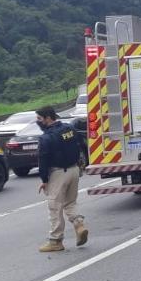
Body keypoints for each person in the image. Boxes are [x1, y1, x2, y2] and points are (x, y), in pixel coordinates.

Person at [35, 106, 88, 253]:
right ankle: (79, 225)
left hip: (58, 173)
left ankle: (55, 241)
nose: (37, 121)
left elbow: (43, 160)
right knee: (70, 202)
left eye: (39, 118)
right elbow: (82, 145)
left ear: (48, 118)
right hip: (74, 170)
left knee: (55, 206)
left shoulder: (46, 138)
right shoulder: (69, 128)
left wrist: (44, 180)